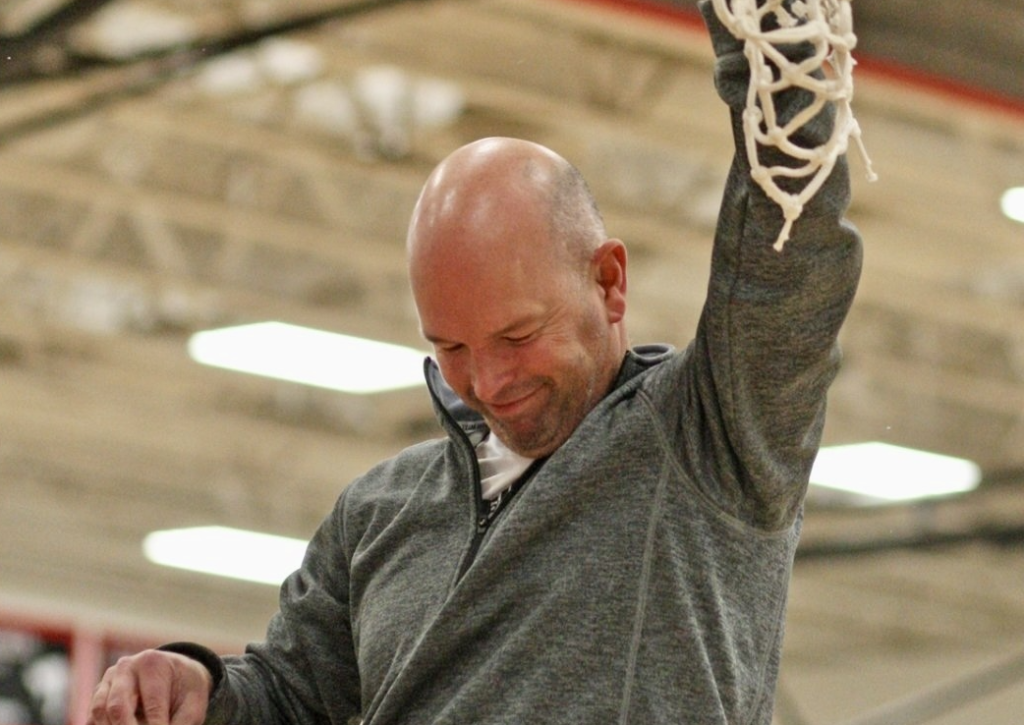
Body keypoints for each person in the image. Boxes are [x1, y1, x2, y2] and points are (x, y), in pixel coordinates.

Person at [87, 2, 862, 724]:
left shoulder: (710, 436)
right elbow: (287, 696)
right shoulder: (378, 512)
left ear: (609, 282)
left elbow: (789, 243)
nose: (488, 382)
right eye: (449, 347)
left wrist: (773, 44)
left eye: (518, 336)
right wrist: (199, 688)